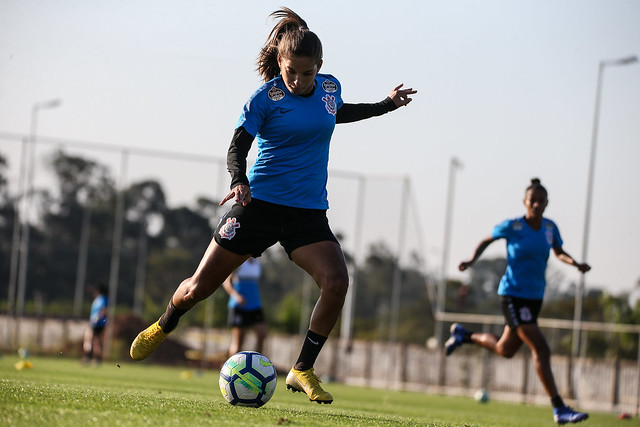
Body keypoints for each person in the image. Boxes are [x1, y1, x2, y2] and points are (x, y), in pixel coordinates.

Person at [129, 7, 416, 404]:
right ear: (280, 63)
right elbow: (237, 147)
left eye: (308, 73)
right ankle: (163, 325)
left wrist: (386, 104)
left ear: (319, 66)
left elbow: (335, 114)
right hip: (258, 205)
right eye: (291, 72)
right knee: (199, 288)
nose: (299, 81)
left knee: (337, 282)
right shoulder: (264, 98)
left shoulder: (330, 89)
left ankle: (302, 369)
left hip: (307, 213)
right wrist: (239, 181)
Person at [447, 178, 591, 425]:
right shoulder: (513, 226)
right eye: (532, 201)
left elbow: (558, 252)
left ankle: (464, 335)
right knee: (541, 349)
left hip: (534, 298)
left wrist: (575, 263)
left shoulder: (549, 228)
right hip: (513, 295)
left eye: (541, 201)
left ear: (546, 204)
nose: (536, 204)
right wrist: (471, 260)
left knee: (505, 349)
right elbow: (487, 239)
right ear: (525, 202)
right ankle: (559, 408)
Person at [222, 257, 267, 357]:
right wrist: (236, 295)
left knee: (262, 334)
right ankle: (231, 369)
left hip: (255, 305)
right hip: (239, 306)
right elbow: (226, 281)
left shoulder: (256, 262)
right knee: (239, 341)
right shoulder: (240, 260)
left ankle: (257, 365)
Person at [83, 284, 108, 365]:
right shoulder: (102, 299)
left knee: (89, 339)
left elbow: (103, 310)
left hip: (96, 322)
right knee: (96, 340)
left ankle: (89, 357)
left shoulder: (101, 299)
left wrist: (97, 319)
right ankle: (95, 359)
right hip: (99, 322)